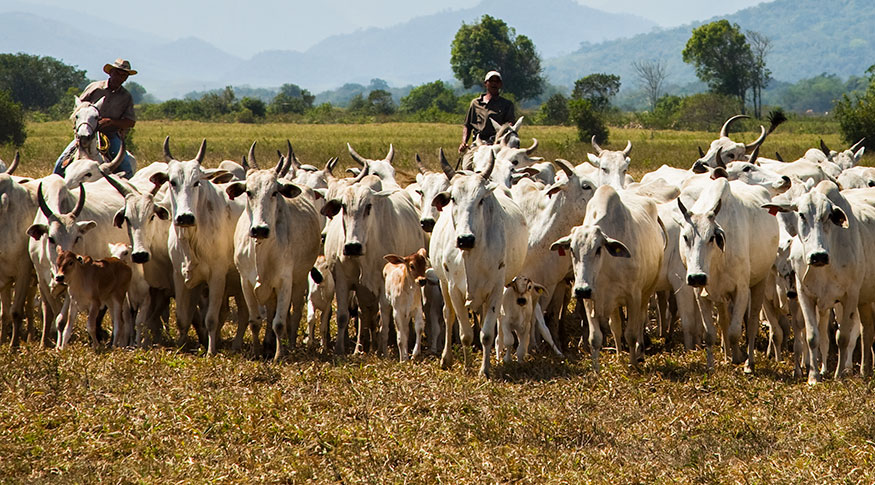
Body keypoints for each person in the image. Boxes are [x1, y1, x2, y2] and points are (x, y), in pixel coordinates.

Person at [54, 58, 138, 178]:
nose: (121, 77)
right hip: (86, 131)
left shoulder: (126, 97)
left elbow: (130, 122)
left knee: (125, 166)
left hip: (110, 135)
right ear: (110, 73)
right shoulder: (94, 88)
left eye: (124, 75)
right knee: (61, 163)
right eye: (118, 73)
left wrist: (111, 122)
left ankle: (127, 189)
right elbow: (79, 107)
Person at [458, 70, 516, 154]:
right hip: (478, 143)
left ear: (500, 84)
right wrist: (464, 142)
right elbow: (467, 125)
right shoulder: (476, 103)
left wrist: (507, 127)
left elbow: (511, 124)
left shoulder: (506, 104)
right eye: (491, 81)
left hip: (497, 144)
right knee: (467, 165)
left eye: (497, 81)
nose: (494, 84)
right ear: (485, 83)